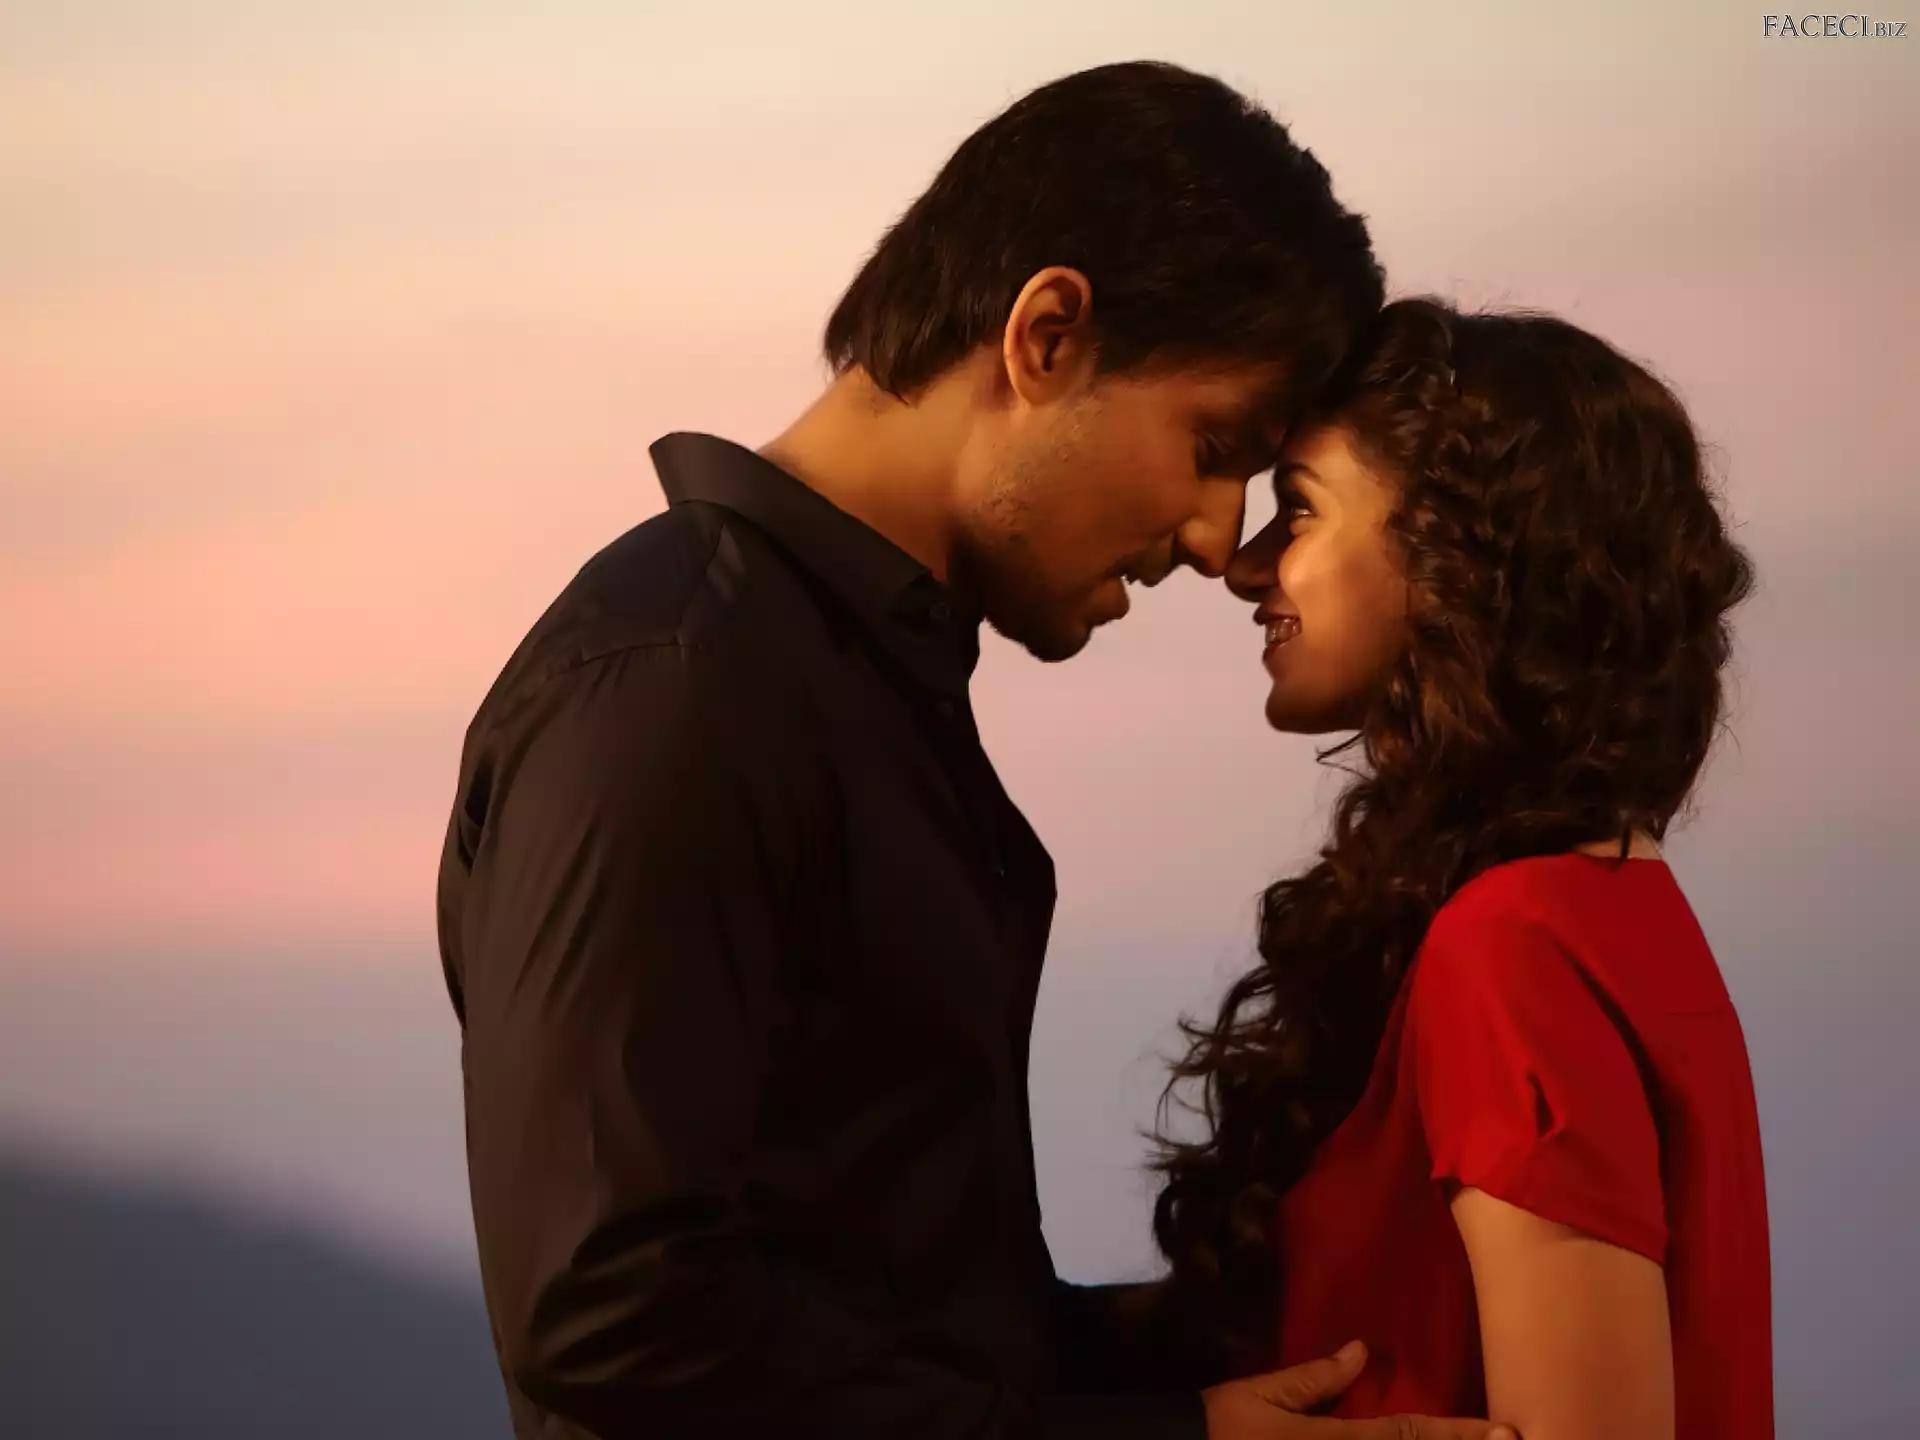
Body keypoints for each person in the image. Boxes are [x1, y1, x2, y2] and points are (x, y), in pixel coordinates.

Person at [435, 62, 1514, 1440]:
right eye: (1213, 444)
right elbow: (615, 1320)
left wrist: (1235, 1347)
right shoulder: (677, 686)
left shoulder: (846, 686)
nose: (1213, 537)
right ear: (1046, 338)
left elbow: (902, 1323)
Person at [1153, 299, 1771, 1438]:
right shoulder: (1613, 908)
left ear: (1455, 553)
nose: (1245, 567)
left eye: (1299, 507)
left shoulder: (1513, 948)